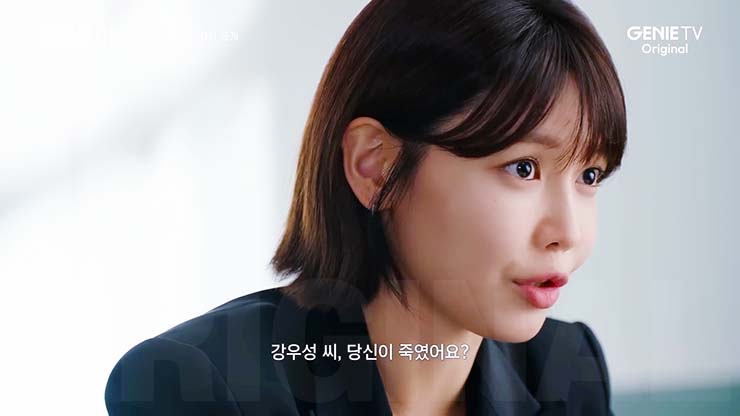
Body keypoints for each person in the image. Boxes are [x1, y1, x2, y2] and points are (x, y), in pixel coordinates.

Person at [105, 0, 625, 414]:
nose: (568, 232)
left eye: (590, 175)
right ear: (375, 166)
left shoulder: (564, 370)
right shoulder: (200, 384)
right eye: (523, 168)